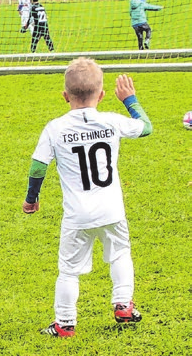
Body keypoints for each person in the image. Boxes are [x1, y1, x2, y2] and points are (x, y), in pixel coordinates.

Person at [22, 57, 152, 337]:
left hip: (77, 214)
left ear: (65, 96)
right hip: (112, 210)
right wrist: (130, 100)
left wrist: (31, 198)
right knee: (120, 254)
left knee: (68, 270)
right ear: (102, 94)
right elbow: (146, 127)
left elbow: (38, 166)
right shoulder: (112, 121)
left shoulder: (55, 127)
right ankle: (123, 306)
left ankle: (65, 323)